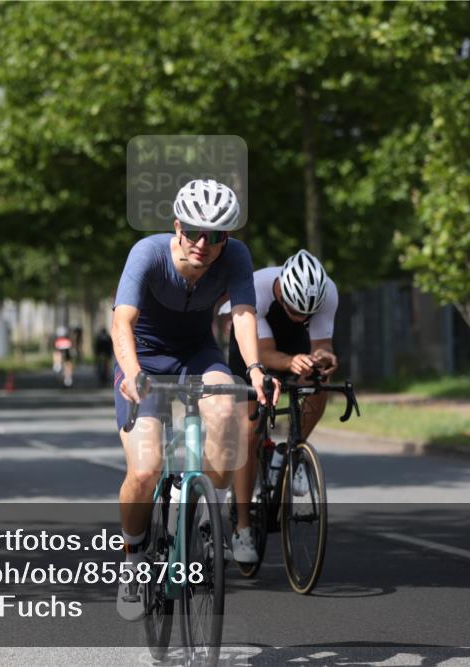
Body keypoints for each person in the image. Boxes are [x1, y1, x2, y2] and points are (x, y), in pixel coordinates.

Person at [112, 178, 278, 621]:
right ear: (177, 226)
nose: (203, 244)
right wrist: (132, 374)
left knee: (229, 410)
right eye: (194, 232)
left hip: (196, 355)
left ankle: (206, 508)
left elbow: (243, 315)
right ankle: (132, 561)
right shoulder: (147, 253)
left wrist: (257, 370)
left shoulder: (236, 257)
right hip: (143, 360)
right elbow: (121, 321)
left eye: (217, 236)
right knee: (144, 470)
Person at [225, 249, 339, 564]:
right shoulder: (257, 289)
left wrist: (323, 360)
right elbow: (261, 353)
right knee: (247, 431)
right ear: (281, 291)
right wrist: (289, 362)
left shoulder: (327, 294)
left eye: (308, 315)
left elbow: (321, 346)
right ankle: (243, 525)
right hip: (250, 344)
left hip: (292, 342)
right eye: (295, 310)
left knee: (319, 384)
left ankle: (290, 450)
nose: (302, 319)